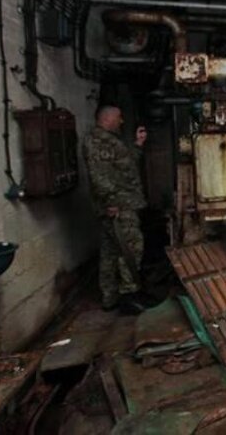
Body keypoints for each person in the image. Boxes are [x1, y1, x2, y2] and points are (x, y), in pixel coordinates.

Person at [83, 105, 149, 315]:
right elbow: (98, 177)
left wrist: (138, 145)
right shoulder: (97, 142)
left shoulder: (110, 141)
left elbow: (125, 166)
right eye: (119, 117)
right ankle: (129, 296)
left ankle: (109, 297)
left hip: (119, 204)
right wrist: (111, 202)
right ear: (108, 118)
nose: (122, 121)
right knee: (131, 247)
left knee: (110, 251)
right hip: (118, 206)